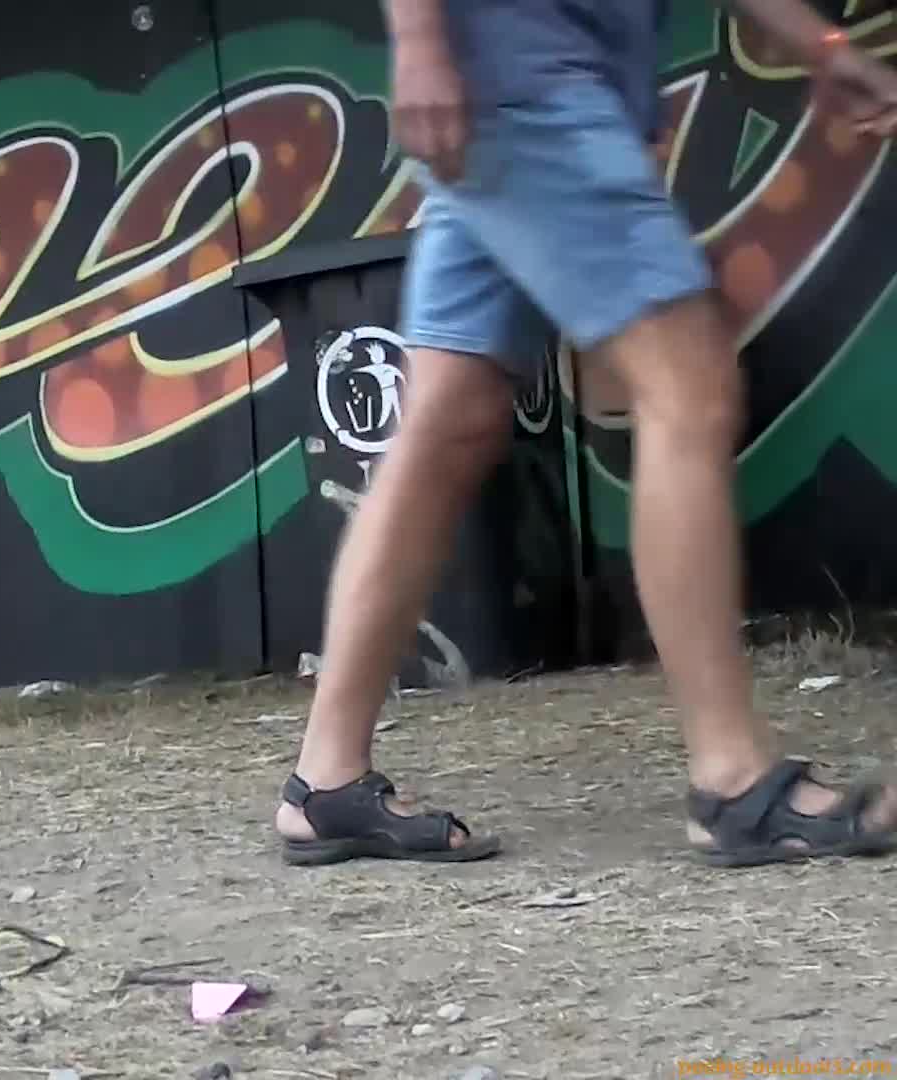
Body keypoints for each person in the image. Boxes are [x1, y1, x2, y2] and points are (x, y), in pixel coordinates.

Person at [275, 0, 897, 867]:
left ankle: (327, 781)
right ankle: (734, 780)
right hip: (526, 85)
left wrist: (819, 46)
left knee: (447, 425)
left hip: (516, 90)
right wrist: (419, 41)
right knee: (689, 386)